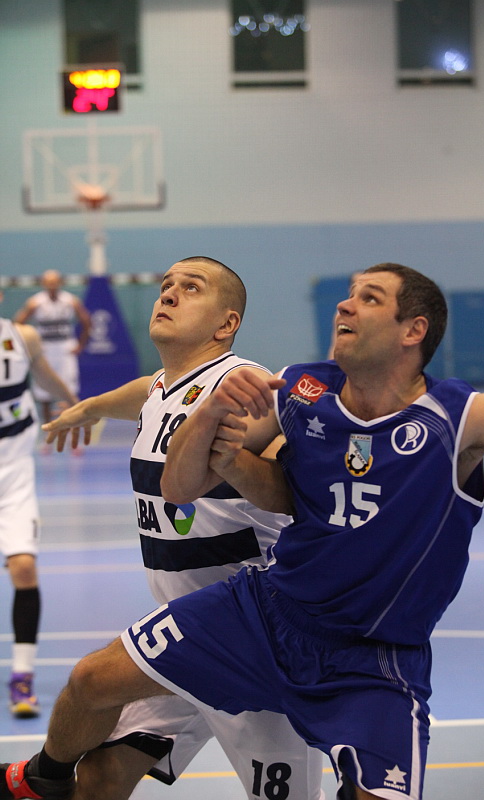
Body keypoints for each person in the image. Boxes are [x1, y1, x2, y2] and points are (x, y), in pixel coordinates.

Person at [2, 262, 484, 800]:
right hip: (234, 618)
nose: (344, 304)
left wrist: (231, 454)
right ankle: (42, 778)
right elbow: (161, 425)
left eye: (369, 298)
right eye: (348, 294)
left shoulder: (445, 413)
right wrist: (97, 408)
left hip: (340, 640)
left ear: (413, 330)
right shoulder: (274, 388)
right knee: (94, 717)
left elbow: (288, 491)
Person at [26, 257, 324, 800]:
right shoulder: (164, 386)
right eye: (166, 285)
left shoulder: (243, 389)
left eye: (191, 287)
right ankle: (44, 778)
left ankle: (37, 778)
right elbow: (146, 392)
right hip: (185, 631)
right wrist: (88, 409)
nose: (168, 293)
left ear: (226, 323)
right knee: (100, 773)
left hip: (253, 639)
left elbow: (284, 434)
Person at [0, 305, 77, 718]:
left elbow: (43, 373)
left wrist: (74, 402)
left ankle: (22, 677)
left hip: (13, 473)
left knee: (24, 568)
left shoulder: (22, 337)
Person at [14, 270, 91, 424]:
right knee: (43, 389)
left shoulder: (71, 301)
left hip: (65, 349)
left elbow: (87, 321)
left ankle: (71, 425)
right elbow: (17, 323)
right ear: (44, 284)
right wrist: (28, 346)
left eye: (55, 283)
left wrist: (81, 345)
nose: (52, 286)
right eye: (49, 283)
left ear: (60, 283)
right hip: (45, 349)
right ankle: (48, 426)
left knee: (69, 388)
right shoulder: (35, 302)